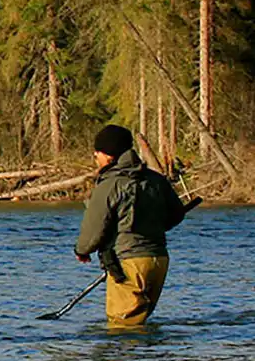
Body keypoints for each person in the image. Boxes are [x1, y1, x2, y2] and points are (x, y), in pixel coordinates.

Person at [75, 124, 189, 327]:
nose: (95, 157)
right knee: (139, 325)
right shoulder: (156, 180)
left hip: (129, 263)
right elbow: (176, 214)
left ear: (109, 156)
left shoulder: (109, 184)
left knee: (123, 328)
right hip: (158, 260)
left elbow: (94, 229)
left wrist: (82, 250)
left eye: (97, 153)